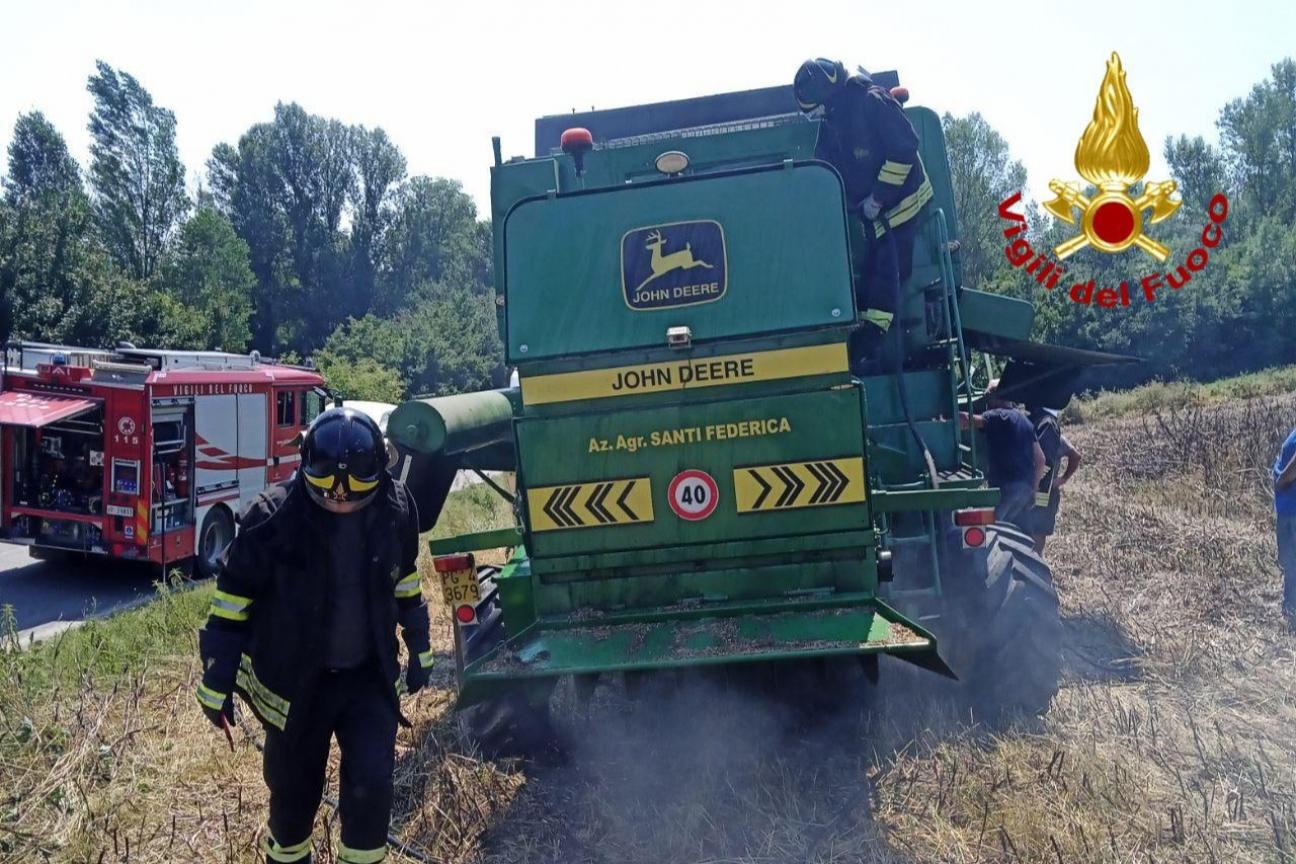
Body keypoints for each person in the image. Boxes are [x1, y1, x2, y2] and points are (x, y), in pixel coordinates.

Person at [196, 408, 432, 864]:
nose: (341, 506)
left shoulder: (396, 508)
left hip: (368, 680)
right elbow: (232, 602)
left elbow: (404, 580)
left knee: (371, 791)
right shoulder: (272, 517)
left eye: (353, 502)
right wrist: (216, 677)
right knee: (292, 800)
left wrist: (419, 643)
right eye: (330, 501)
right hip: (294, 685)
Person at [793, 58, 935, 362]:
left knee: (889, 267)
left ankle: (873, 337)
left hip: (905, 204)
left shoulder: (872, 102)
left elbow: (904, 150)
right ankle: (866, 331)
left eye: (815, 108)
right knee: (873, 267)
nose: (815, 115)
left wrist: (878, 198)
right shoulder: (837, 118)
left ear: (827, 95)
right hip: (877, 213)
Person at [959, 381, 1045, 525]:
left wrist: (946, 418)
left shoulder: (999, 416)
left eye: (987, 397)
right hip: (1024, 490)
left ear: (995, 397)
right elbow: (1041, 459)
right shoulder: (1025, 421)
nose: (987, 403)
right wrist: (1033, 490)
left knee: (989, 527)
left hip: (1006, 491)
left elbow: (968, 420)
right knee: (1013, 529)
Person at [1024, 405, 1083, 554]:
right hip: (1038, 489)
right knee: (1033, 531)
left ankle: (1035, 568)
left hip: (1042, 492)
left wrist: (1062, 479)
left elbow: (1075, 456)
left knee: (1037, 532)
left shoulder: (1047, 426)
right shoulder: (1040, 425)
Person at [1274, 424, 1296, 626]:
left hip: (1292, 512)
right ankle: (1290, 612)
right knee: (1289, 566)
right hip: (1287, 510)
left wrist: (1281, 480)